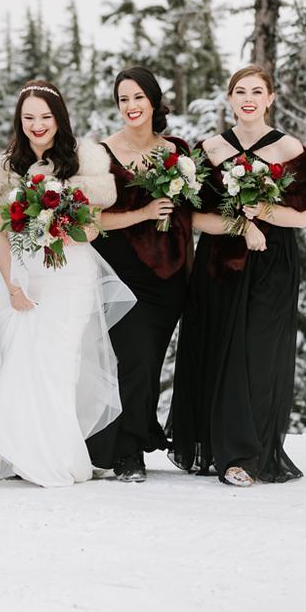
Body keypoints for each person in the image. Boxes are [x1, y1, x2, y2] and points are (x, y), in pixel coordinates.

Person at [0, 79, 134, 487]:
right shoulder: (0, 169)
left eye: (45, 117)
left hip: (71, 272)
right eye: (29, 117)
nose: (37, 125)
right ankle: (22, 453)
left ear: (59, 119)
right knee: (21, 358)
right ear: (19, 121)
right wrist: (12, 285)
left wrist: (62, 227)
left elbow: (91, 230)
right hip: (23, 273)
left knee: (61, 364)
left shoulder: (85, 161)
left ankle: (58, 452)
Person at [167, 64, 306, 487]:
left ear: (270, 98)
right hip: (219, 262)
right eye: (239, 91)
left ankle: (248, 456)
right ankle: (220, 448)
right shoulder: (209, 149)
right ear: (229, 99)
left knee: (257, 353)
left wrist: (260, 212)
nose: (248, 97)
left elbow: (301, 217)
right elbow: (192, 216)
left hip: (272, 262)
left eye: (257, 90)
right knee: (219, 348)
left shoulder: (290, 149)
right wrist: (240, 225)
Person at [86, 67, 192, 483]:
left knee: (148, 365)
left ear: (153, 101)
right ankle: (128, 452)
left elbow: (188, 216)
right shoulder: (99, 154)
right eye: (123, 99)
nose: (130, 107)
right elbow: (93, 221)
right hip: (120, 273)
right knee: (134, 360)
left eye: (137, 98)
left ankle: (135, 431)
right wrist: (145, 212)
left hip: (169, 277)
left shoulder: (179, 150)